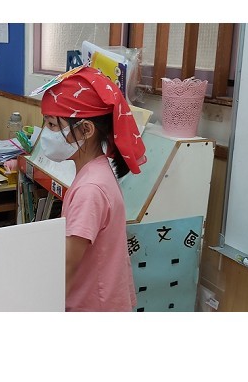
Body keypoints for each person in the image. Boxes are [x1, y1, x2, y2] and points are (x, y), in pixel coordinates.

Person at [39, 66, 147, 312]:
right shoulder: (97, 171)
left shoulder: (90, 189)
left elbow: (68, 265)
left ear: (86, 129)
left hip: (92, 306)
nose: (46, 133)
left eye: (53, 125)